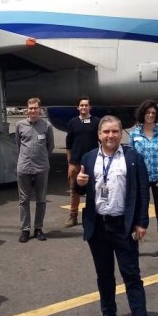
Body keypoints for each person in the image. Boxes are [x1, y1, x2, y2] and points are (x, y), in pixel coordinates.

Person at [75, 116, 157, 316]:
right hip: (98, 225)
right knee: (104, 275)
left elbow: (142, 193)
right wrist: (78, 183)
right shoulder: (89, 158)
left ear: (121, 134)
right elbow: (80, 189)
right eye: (106, 132)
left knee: (131, 276)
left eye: (115, 131)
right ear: (99, 135)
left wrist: (142, 223)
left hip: (124, 225)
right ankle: (108, 315)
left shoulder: (133, 158)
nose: (110, 135)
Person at [129, 100, 158, 263]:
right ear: (143, 113)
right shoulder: (134, 134)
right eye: (148, 112)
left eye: (153, 113)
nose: (150, 115)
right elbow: (131, 159)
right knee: (137, 212)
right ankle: (133, 246)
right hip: (140, 179)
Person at [15, 97, 54, 242]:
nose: (33, 111)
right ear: (27, 110)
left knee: (41, 200)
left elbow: (50, 146)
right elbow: (18, 145)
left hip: (41, 167)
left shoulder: (46, 126)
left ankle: (38, 228)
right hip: (24, 167)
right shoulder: (20, 125)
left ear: (40, 109)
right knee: (23, 200)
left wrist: (42, 158)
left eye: (35, 108)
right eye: (30, 108)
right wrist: (24, 159)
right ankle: (25, 230)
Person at [64, 96, 100, 227]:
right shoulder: (73, 122)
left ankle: (93, 216)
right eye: (81, 105)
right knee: (74, 191)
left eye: (86, 105)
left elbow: (101, 141)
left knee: (94, 190)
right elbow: (68, 143)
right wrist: (70, 161)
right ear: (78, 107)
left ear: (90, 107)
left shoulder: (96, 122)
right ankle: (73, 216)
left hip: (92, 162)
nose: (84, 107)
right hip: (75, 163)